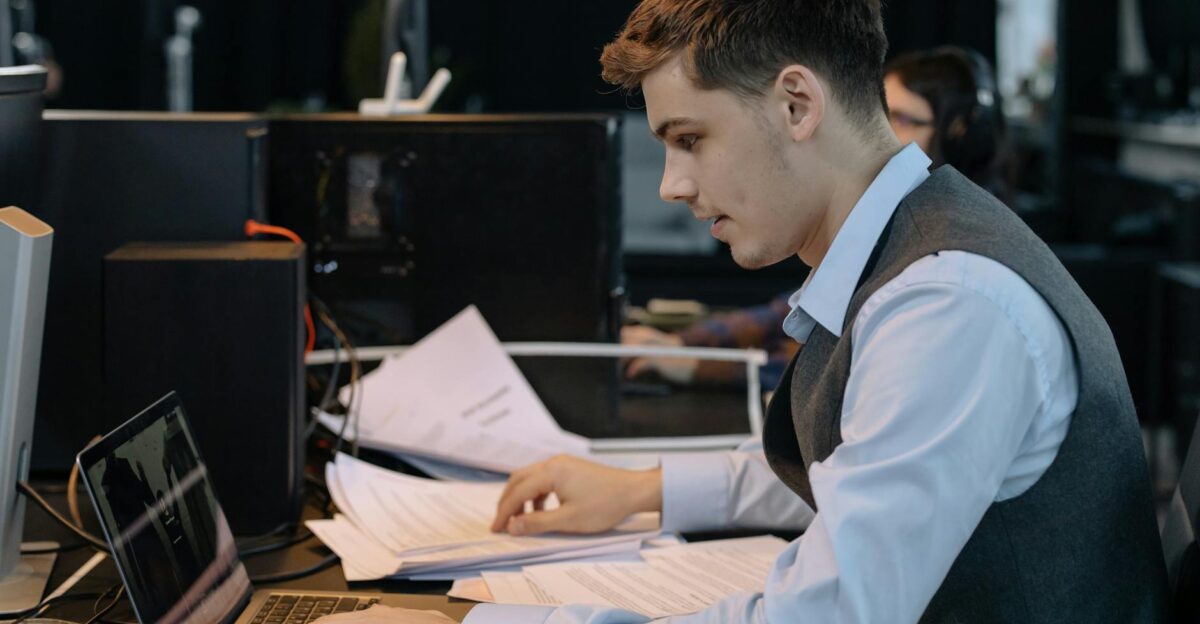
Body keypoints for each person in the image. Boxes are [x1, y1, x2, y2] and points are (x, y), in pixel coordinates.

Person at [327, 0, 1168, 621]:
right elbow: (854, 467)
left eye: (690, 139)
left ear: (797, 104)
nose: (673, 184)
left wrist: (487, 621)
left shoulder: (944, 302)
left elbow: (829, 615)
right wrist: (642, 491)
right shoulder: (906, 249)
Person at [624, 46, 1011, 389]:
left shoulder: (942, 287)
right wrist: (683, 343)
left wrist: (691, 364)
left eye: (899, 118)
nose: (670, 188)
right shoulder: (895, 241)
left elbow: (830, 369)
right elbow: (786, 316)